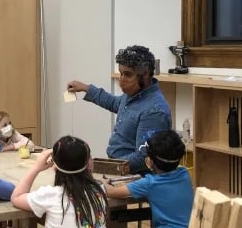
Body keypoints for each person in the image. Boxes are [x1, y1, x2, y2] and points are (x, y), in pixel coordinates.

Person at [67, 45, 171, 174]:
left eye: (127, 74)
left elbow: (143, 157)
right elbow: (115, 103)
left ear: (145, 75)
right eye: (120, 73)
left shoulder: (154, 111)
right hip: (119, 169)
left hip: (136, 178)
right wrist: (85, 88)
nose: (121, 79)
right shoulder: (133, 94)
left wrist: (105, 167)